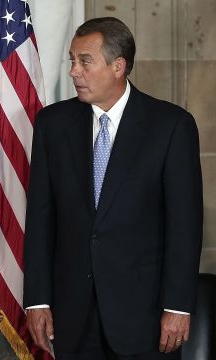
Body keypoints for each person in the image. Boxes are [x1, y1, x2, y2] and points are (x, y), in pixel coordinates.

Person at [23, 17, 203, 360]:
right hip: (73, 320)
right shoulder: (52, 125)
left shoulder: (171, 127)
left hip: (146, 321)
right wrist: (37, 299)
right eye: (72, 61)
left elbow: (185, 227)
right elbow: (40, 222)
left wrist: (178, 306)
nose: (74, 71)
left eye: (85, 61)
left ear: (118, 66)